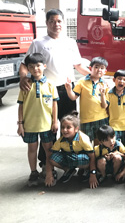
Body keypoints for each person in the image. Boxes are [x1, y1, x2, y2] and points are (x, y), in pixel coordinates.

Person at [19, 9, 90, 170]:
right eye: (52, 21)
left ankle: (71, 161)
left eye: (59, 21)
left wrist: (94, 76)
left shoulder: (70, 42)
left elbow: (78, 65)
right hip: (47, 92)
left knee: (68, 126)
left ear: (63, 23)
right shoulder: (38, 43)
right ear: (47, 23)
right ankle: (46, 163)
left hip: (66, 90)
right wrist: (23, 78)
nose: (56, 24)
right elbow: (24, 64)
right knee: (48, 130)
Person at [17, 53, 59, 187]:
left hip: (46, 125)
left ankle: (49, 170)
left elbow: (54, 104)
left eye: (38, 66)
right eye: (31, 67)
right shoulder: (25, 85)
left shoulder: (51, 85)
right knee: (32, 149)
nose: (35, 69)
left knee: (48, 149)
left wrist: (54, 121)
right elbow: (21, 106)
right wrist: (20, 124)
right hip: (29, 125)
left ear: (44, 66)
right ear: (27, 69)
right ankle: (33, 172)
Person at [50, 111, 98, 188]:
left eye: (68, 127)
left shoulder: (83, 138)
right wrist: (49, 174)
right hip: (70, 157)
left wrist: (93, 174)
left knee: (79, 158)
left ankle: (86, 169)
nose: (65, 130)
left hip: (83, 158)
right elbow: (51, 155)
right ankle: (69, 170)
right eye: (63, 127)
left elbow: (92, 156)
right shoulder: (61, 140)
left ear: (76, 129)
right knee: (52, 158)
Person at [65, 57, 109, 142]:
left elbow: (104, 106)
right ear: (90, 68)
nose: (99, 70)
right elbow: (73, 97)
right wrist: (69, 89)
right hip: (86, 119)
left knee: (99, 143)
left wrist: (103, 94)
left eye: (102, 68)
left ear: (105, 71)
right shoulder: (82, 82)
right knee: (86, 143)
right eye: (96, 67)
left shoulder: (105, 84)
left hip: (101, 118)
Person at [106, 70, 125, 146]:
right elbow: (106, 107)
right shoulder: (109, 93)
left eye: (124, 79)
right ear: (114, 80)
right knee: (115, 146)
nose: (121, 81)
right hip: (113, 125)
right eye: (119, 78)